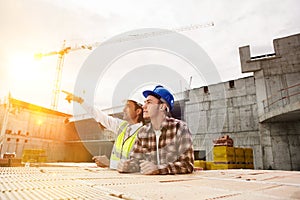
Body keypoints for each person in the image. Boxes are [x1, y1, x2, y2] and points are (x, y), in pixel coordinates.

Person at [117, 85, 194, 175]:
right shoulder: (143, 132)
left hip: (176, 186)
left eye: (149, 102)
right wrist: (127, 166)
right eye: (144, 102)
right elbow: (136, 162)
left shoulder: (180, 128)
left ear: (162, 107)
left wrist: (159, 169)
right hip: (151, 186)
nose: (143, 106)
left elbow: (187, 165)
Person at [65, 92, 144, 169]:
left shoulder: (143, 133)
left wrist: (110, 163)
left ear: (138, 111)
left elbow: (137, 165)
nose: (124, 109)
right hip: (116, 175)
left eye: (128, 106)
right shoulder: (121, 126)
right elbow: (99, 116)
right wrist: (80, 100)